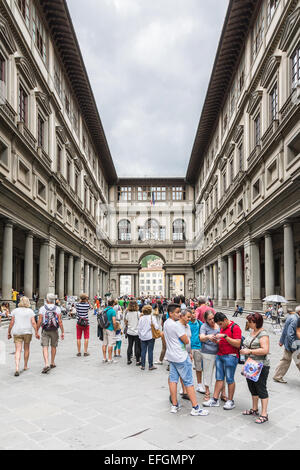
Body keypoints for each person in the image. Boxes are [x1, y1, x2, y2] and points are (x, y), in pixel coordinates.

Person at [163, 303, 209, 416]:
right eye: (177, 312)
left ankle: (174, 405)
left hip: (171, 356)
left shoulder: (166, 323)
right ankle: (195, 408)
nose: (179, 314)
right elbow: (186, 341)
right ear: (170, 313)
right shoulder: (176, 326)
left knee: (173, 380)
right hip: (181, 356)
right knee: (189, 382)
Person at [203, 312, 241, 410]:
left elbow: (237, 343)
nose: (219, 326)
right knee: (219, 378)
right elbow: (223, 341)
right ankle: (214, 399)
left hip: (231, 356)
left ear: (225, 320)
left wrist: (225, 336)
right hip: (220, 355)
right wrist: (216, 340)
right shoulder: (222, 328)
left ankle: (230, 400)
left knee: (229, 379)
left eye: (220, 324)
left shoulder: (235, 327)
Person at [240, 313, 270, 424]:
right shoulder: (252, 332)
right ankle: (254, 409)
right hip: (250, 364)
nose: (248, 323)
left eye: (250, 322)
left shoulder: (263, 334)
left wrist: (250, 351)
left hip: (260, 365)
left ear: (255, 322)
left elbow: (265, 350)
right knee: (252, 388)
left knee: (261, 389)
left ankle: (264, 414)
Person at [7, 296, 40, 376]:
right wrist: (36, 332)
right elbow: (33, 322)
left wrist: (9, 332)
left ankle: (17, 368)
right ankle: (25, 366)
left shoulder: (15, 311)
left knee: (18, 350)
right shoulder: (30, 311)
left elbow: (12, 322)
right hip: (27, 331)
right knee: (26, 349)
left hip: (17, 331)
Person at [37, 293, 64, 374]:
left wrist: (36, 331)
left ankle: (46, 363)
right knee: (53, 346)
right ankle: (52, 362)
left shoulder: (42, 308)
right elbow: (60, 321)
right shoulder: (57, 308)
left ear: (47, 299)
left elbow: (40, 320)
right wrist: (62, 332)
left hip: (45, 330)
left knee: (45, 346)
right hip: (54, 330)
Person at [273, 305, 300, 383]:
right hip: (293, 345)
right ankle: (277, 376)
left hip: (289, 344)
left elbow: (285, 330)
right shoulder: (295, 319)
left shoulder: (291, 316)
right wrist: (294, 347)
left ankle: (277, 376)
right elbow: (290, 334)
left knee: (285, 360)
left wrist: (281, 341)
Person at [200, 310, 220, 402]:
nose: (212, 320)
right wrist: (208, 337)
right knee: (208, 373)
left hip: (220, 352)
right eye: (209, 319)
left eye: (213, 318)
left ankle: (222, 392)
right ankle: (207, 391)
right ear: (206, 320)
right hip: (207, 352)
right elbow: (201, 337)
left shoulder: (219, 324)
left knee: (220, 374)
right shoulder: (204, 326)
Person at [188, 308, 205, 394]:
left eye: (194, 313)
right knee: (186, 367)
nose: (193, 315)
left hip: (198, 347)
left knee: (199, 367)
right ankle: (186, 385)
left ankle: (199, 385)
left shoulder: (199, 323)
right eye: (191, 313)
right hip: (188, 348)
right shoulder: (186, 323)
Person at [138, 305, 159, 371]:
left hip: (143, 337)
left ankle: (143, 365)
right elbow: (156, 327)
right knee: (150, 351)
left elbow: (139, 328)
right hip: (150, 336)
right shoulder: (152, 317)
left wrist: (140, 335)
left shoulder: (141, 318)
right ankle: (150, 365)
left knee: (143, 351)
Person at [124, 300, 141, 365]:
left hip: (129, 332)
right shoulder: (138, 313)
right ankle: (137, 361)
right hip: (136, 332)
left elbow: (126, 322)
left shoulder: (128, 313)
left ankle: (128, 360)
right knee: (137, 346)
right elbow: (140, 322)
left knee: (130, 345)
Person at [102, 299, 117, 364]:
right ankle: (110, 359)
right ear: (113, 304)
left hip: (104, 328)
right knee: (110, 344)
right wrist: (115, 328)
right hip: (110, 328)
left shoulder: (104, 310)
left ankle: (104, 358)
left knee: (104, 343)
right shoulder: (112, 311)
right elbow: (114, 321)